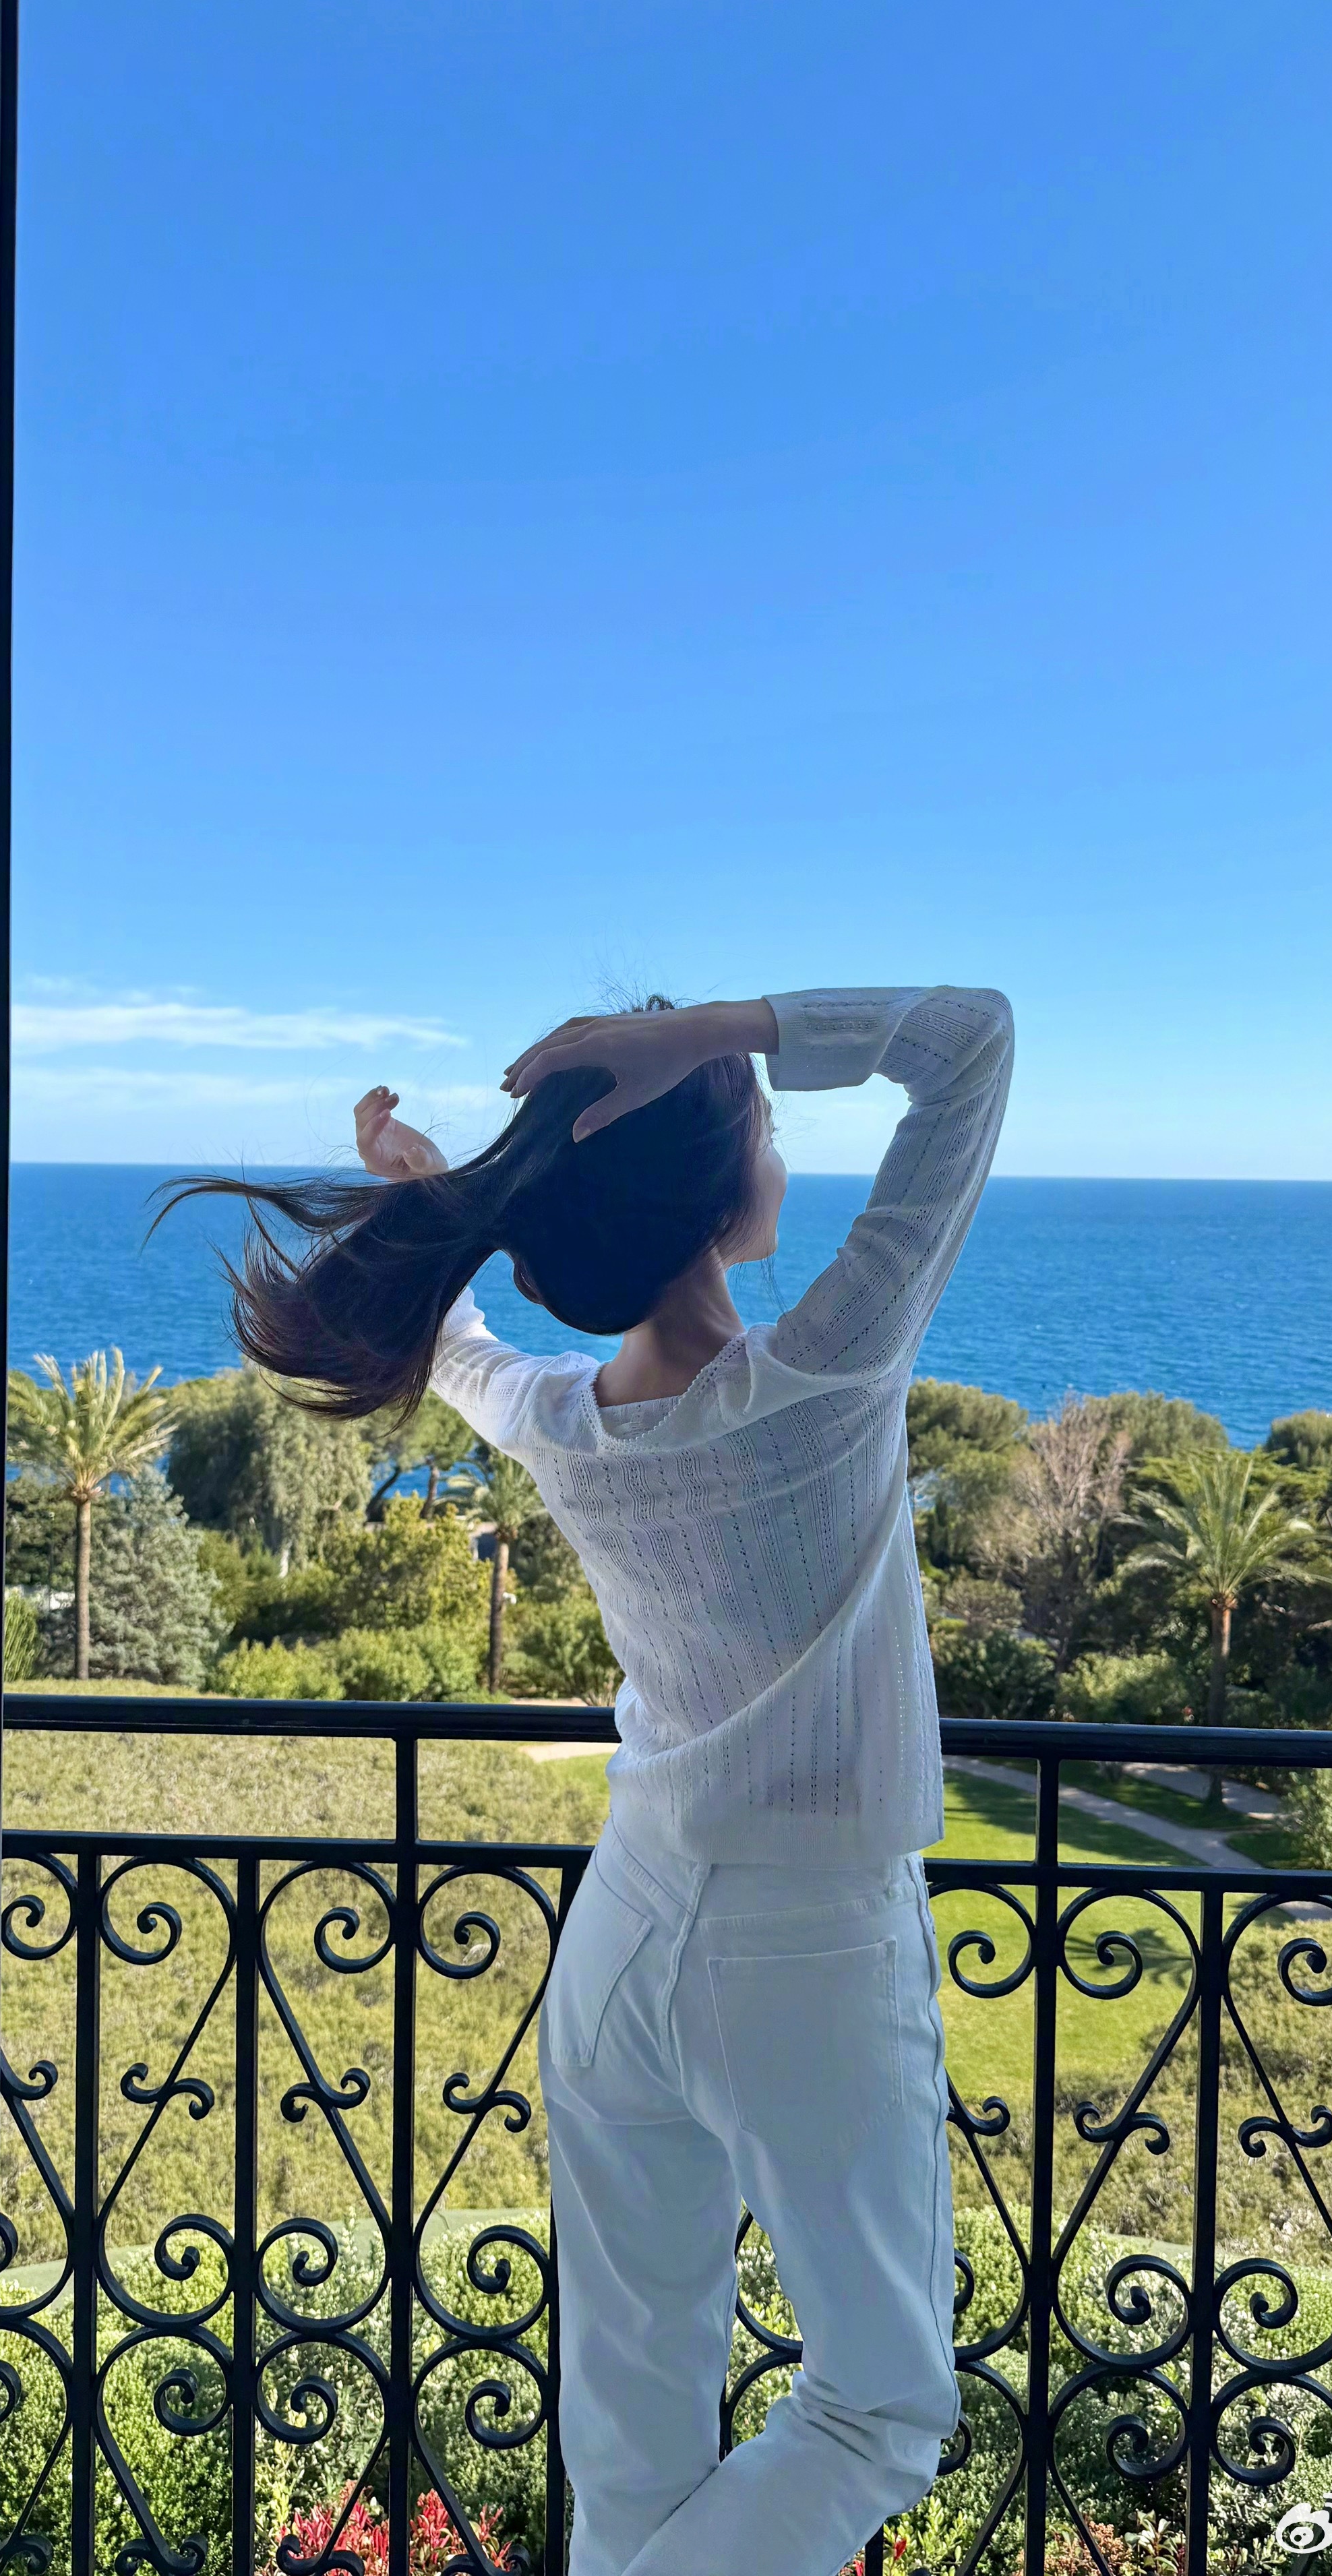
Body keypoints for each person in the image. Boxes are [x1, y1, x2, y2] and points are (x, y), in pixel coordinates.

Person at [195, 986, 1012, 2576]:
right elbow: (971, 1041)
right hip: (805, 1947)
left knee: (635, 2442)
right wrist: (718, 1029)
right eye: (764, 1119)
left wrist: (452, 1187)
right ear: (717, 1195)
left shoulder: (570, 1426)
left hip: (627, 1934)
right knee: (879, 2410)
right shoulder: (822, 1379)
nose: (778, 1140)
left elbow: (458, 1351)